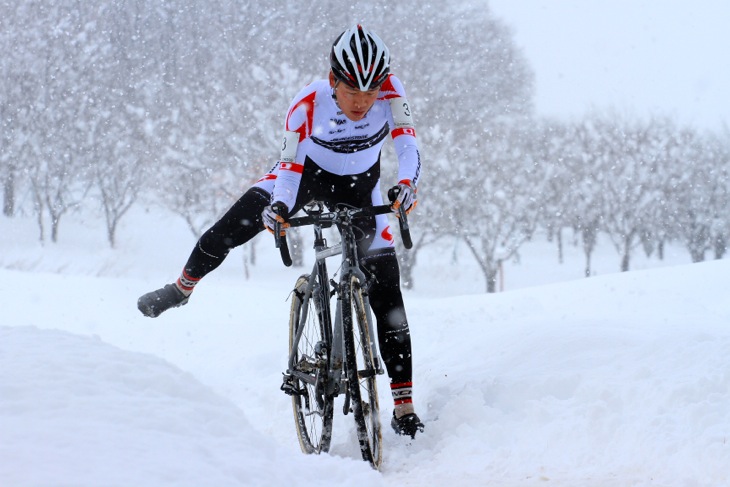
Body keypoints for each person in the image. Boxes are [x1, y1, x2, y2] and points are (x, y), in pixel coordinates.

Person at [137, 25, 424, 438]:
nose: (362, 102)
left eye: (370, 93)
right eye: (351, 92)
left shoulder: (392, 92)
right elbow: (288, 173)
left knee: (388, 291)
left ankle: (403, 406)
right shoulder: (307, 103)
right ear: (332, 81)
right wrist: (279, 209)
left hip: (363, 186)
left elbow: (409, 145)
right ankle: (182, 288)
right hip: (304, 178)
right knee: (229, 228)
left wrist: (408, 184)